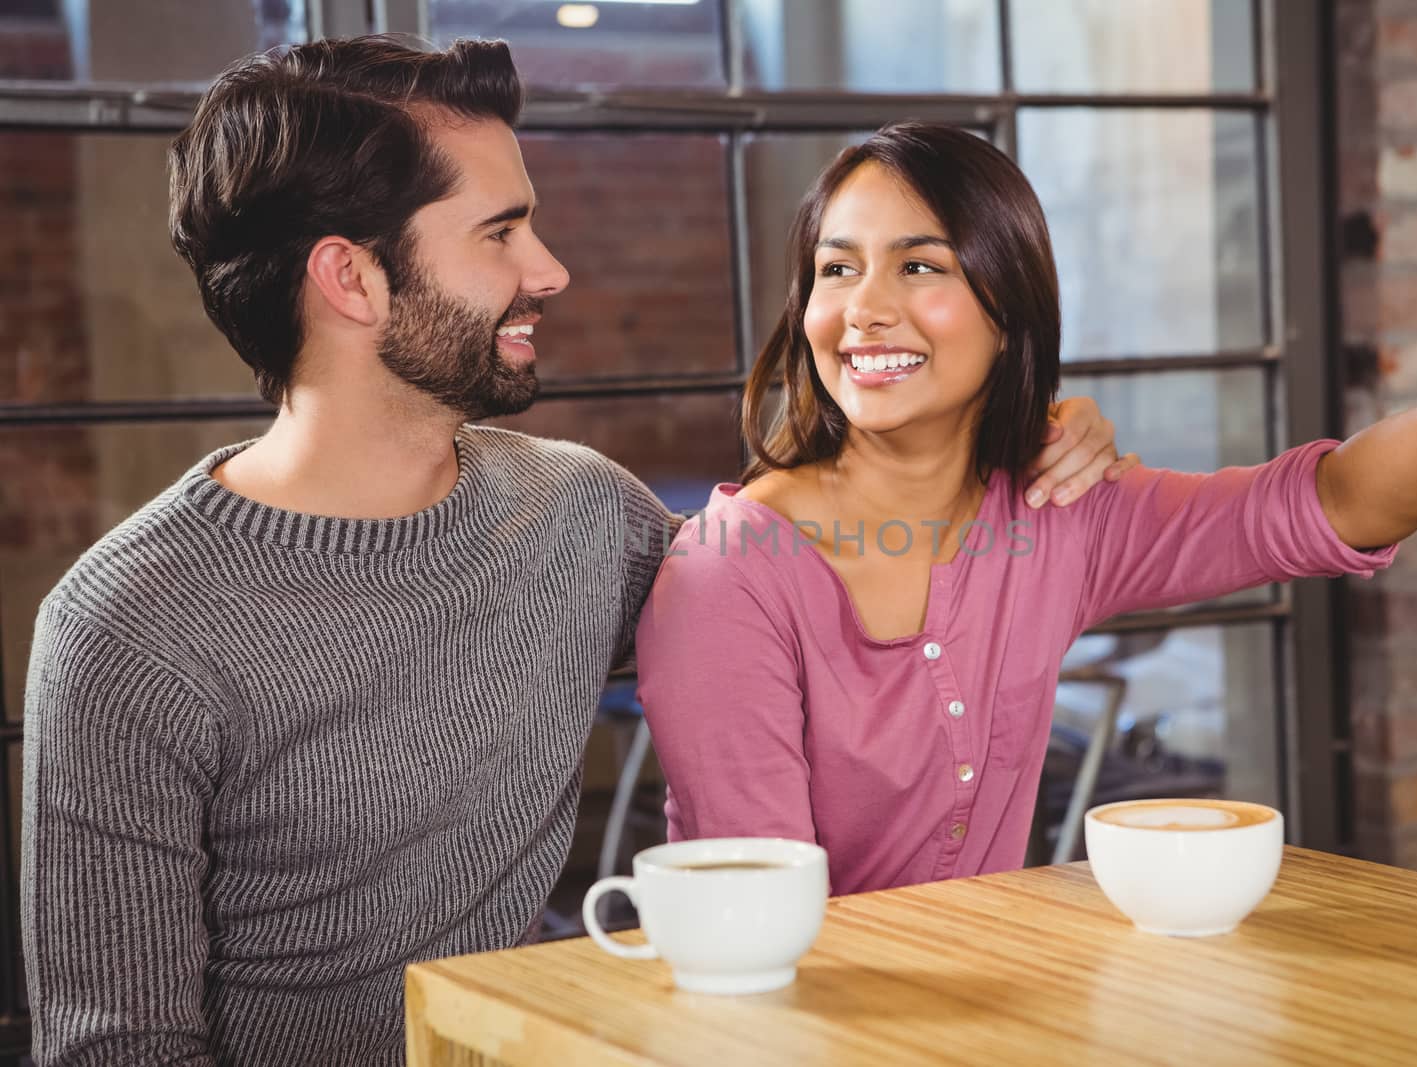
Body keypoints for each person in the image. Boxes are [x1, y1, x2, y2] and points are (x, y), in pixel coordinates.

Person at [20, 40, 1127, 1064]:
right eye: (500, 233)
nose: (548, 270)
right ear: (350, 279)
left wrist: (1004, 434)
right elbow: (118, 1045)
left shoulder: (582, 515)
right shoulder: (127, 626)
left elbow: (814, 582)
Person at [634, 122, 1417, 896]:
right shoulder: (730, 573)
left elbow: (1325, 502)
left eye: (920, 266)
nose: (864, 308)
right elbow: (754, 923)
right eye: (836, 270)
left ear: (1009, 304)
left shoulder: (1058, 508)